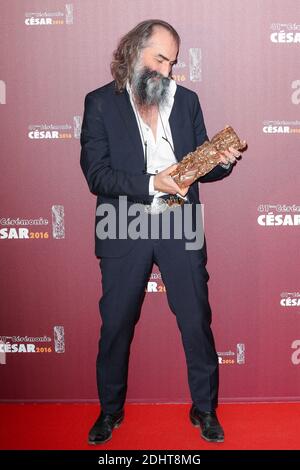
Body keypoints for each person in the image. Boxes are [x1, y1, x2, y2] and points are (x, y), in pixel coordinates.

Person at [80, 19, 244, 445]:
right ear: (134, 51)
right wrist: (154, 182)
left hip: (180, 222)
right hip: (123, 225)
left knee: (195, 321)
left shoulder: (187, 101)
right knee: (116, 325)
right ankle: (110, 411)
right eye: (159, 59)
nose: (167, 71)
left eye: (172, 62)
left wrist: (221, 160)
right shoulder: (99, 103)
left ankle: (205, 409)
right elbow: (97, 175)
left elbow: (203, 168)